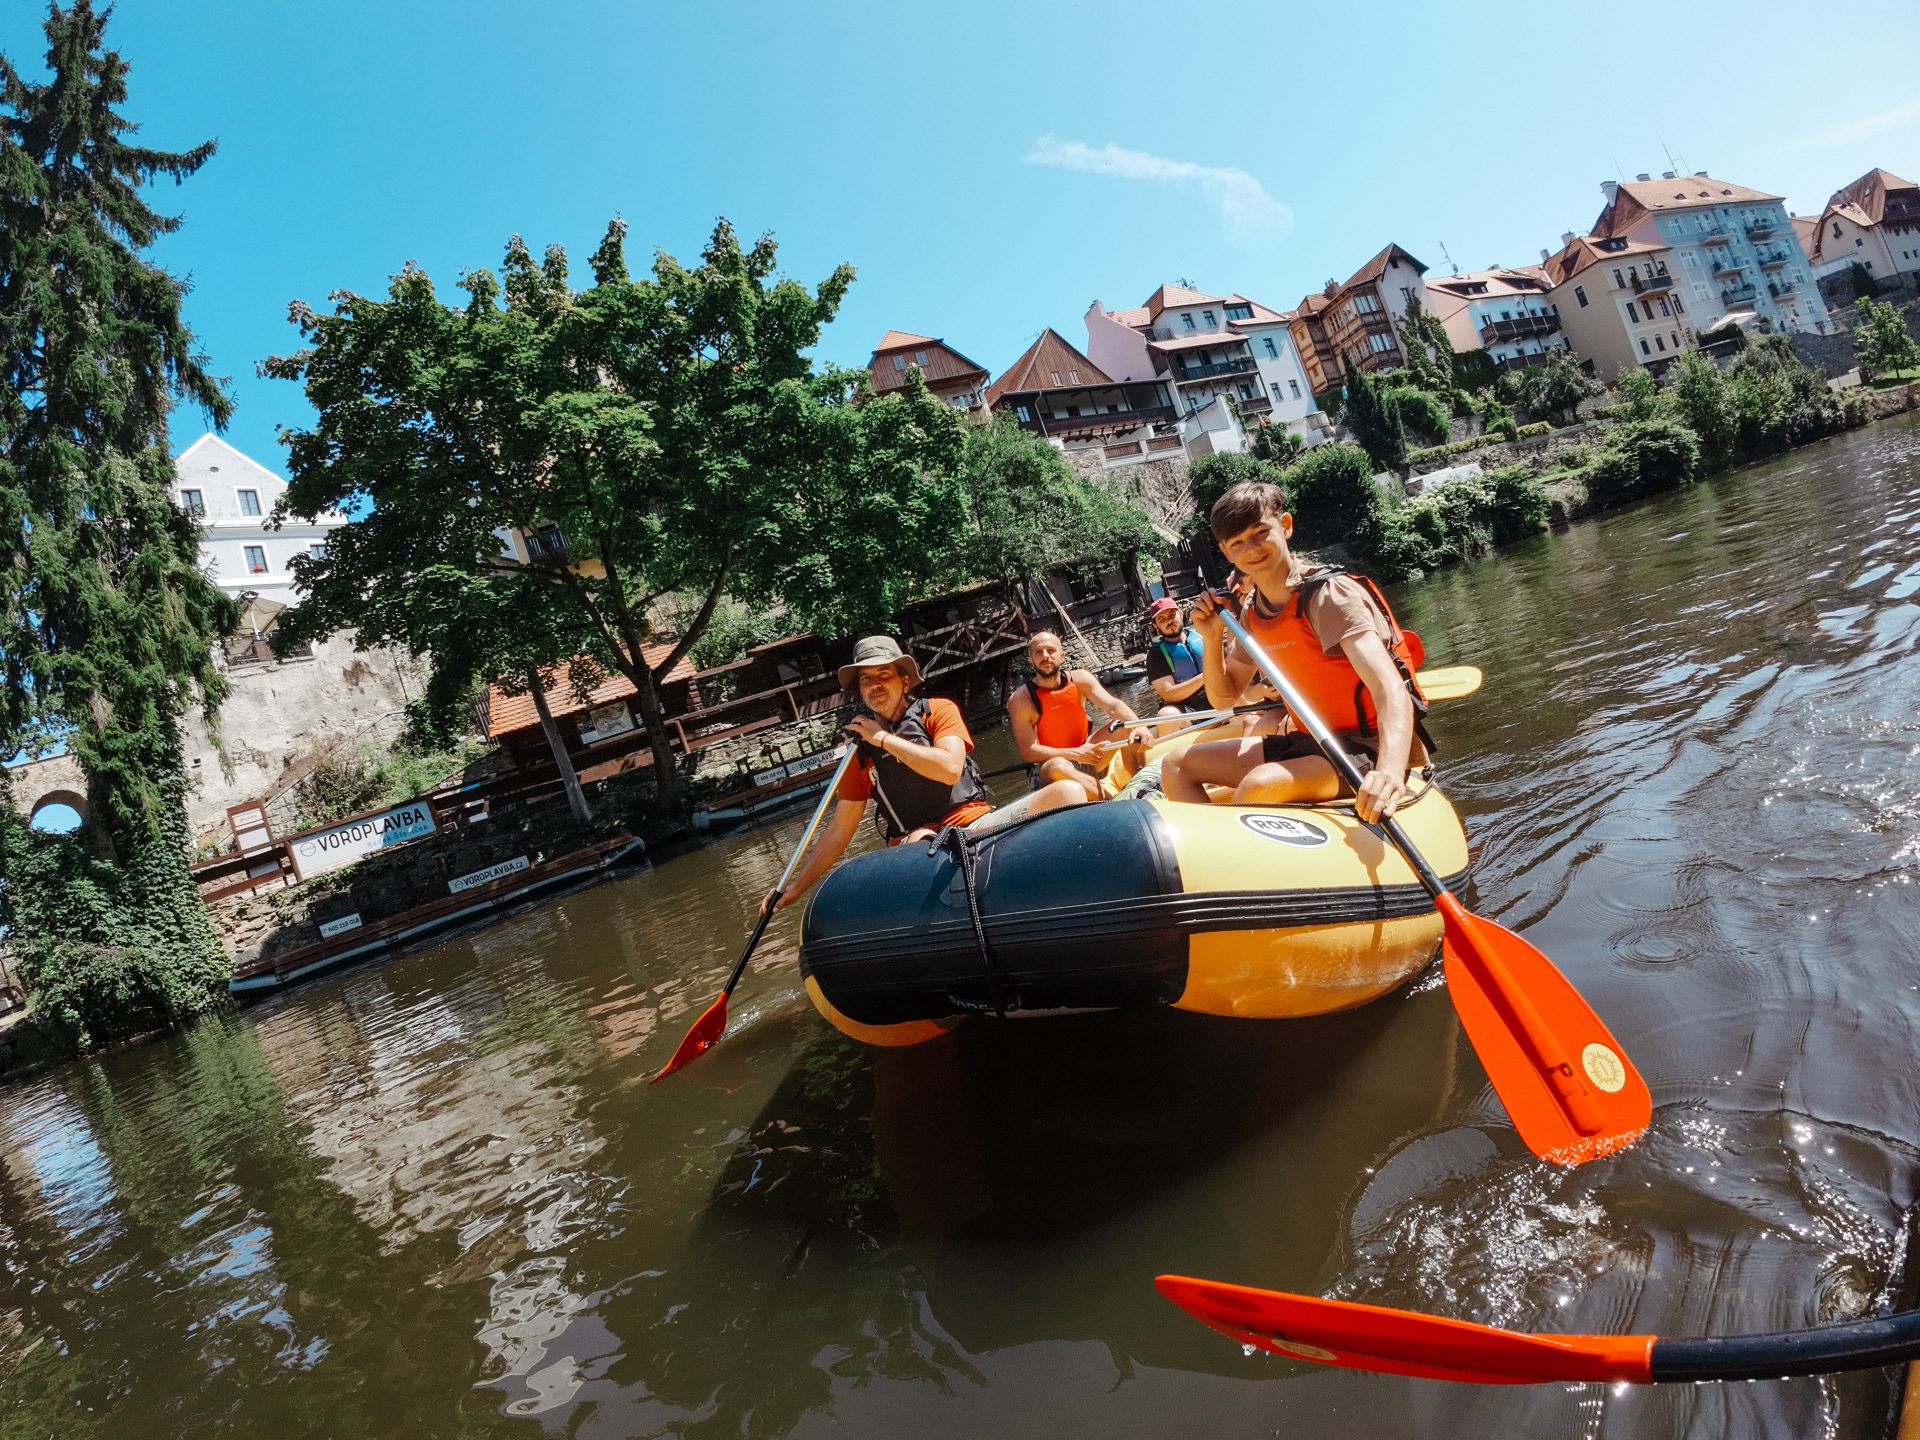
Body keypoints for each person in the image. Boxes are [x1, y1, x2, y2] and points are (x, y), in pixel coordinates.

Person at [1160, 481, 1426, 824]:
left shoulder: (1328, 596)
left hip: (1366, 746)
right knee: (1176, 765)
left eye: (1259, 532)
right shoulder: (1252, 613)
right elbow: (1225, 698)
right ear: (1226, 552)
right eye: (1238, 542)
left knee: (1259, 785)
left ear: (1285, 526)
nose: (1251, 549)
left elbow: (1388, 687)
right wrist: (1212, 639)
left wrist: (1389, 771)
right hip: (1309, 739)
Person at [773, 636, 1083, 914]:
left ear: (905, 681)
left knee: (1067, 793)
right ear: (860, 690)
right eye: (867, 679)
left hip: (976, 827)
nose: (875, 684)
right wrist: (795, 889)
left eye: (884, 675)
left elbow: (949, 769)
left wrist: (882, 739)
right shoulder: (859, 753)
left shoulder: (937, 711)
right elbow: (839, 830)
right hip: (917, 846)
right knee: (921, 841)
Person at [1007, 630, 1152, 802]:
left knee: (1126, 726)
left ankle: (1142, 789)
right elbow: (1029, 752)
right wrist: (1076, 753)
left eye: (1051, 650)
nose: (1045, 656)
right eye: (1039, 652)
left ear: (1062, 656)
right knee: (1057, 765)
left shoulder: (1080, 679)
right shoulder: (1021, 699)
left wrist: (1139, 725)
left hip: (1087, 753)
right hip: (1051, 766)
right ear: (1031, 661)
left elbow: (1114, 706)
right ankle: (1115, 802)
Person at [1143, 596, 1211, 716]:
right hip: (1188, 708)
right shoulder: (1156, 654)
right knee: (1166, 714)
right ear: (1155, 626)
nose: (1169, 621)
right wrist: (1208, 675)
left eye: (1171, 615)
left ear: (1181, 613)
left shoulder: (1202, 634)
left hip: (1218, 695)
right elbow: (1168, 693)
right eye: (1162, 619)